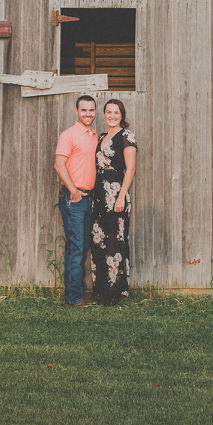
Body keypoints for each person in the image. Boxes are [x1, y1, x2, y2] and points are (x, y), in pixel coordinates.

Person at [90, 97, 137, 306]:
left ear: (122, 115)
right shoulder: (101, 137)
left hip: (116, 194)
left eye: (116, 112)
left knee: (114, 241)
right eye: (108, 112)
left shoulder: (126, 136)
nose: (111, 115)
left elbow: (131, 169)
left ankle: (115, 291)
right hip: (99, 196)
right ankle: (101, 288)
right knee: (99, 240)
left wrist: (120, 197)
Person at [54, 94, 98, 306]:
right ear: (76, 112)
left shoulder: (94, 136)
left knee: (84, 245)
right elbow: (59, 165)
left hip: (90, 198)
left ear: (95, 112)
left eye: (91, 110)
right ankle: (74, 297)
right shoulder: (69, 135)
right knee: (76, 247)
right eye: (84, 110)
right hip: (75, 198)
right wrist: (73, 191)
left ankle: (77, 291)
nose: (88, 114)